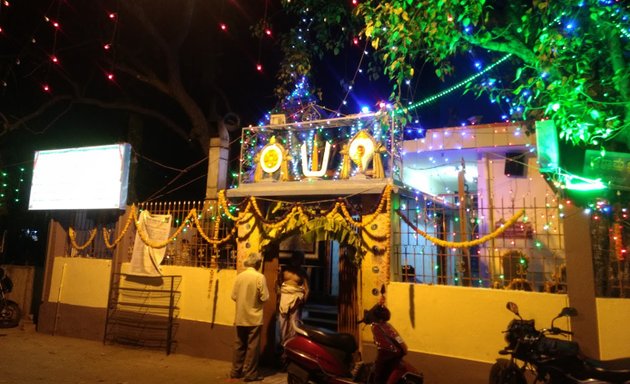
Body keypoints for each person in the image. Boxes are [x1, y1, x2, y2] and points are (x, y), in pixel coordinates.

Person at [230, 252, 269, 382]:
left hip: (240, 316)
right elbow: (265, 297)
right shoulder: (259, 277)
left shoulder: (239, 277)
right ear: (258, 263)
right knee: (253, 347)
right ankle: (250, 373)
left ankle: (236, 371)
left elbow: (234, 296)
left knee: (239, 345)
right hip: (254, 318)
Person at [278, 251, 309, 346]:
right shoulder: (285, 270)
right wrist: (278, 297)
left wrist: (303, 301)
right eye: (296, 258)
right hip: (284, 297)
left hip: (296, 298)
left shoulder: (302, 272)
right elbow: (279, 284)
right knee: (282, 321)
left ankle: (292, 344)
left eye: (299, 259)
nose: (297, 261)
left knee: (294, 322)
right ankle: (283, 343)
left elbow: (307, 289)